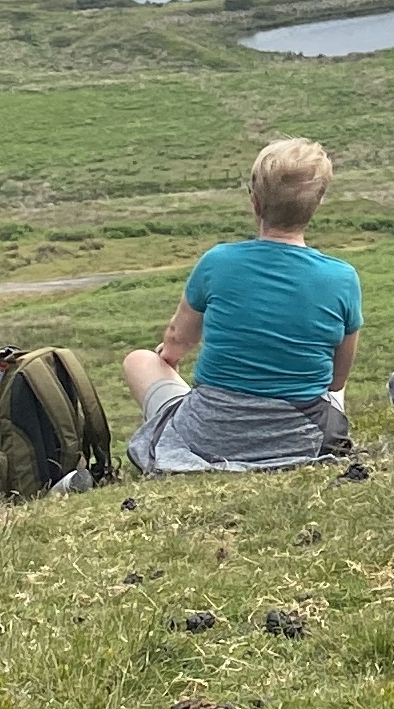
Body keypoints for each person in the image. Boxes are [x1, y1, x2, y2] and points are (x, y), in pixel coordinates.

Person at [124, 138, 364, 475]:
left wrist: (170, 359)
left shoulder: (217, 261)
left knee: (139, 360)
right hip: (303, 438)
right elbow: (336, 381)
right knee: (327, 398)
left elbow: (177, 340)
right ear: (317, 204)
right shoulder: (343, 278)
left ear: (255, 203)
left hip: (208, 433)